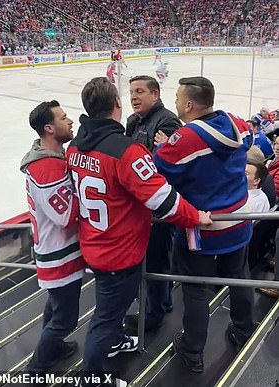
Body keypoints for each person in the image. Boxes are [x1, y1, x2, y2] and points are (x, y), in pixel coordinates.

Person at [66, 77, 212, 386]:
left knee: (110, 309)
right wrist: (194, 217)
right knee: (105, 318)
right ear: (116, 104)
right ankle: (91, 378)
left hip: (93, 242)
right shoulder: (126, 150)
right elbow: (162, 199)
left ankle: (117, 339)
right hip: (119, 251)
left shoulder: (76, 145)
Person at [154, 76, 255, 373]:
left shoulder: (185, 139)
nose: (174, 102)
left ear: (188, 104)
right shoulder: (237, 123)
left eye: (176, 97)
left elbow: (157, 168)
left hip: (202, 228)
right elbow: (248, 141)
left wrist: (164, 146)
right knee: (240, 278)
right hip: (238, 220)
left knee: (196, 290)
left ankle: (193, 349)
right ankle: (244, 331)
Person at [20, 100, 85, 377]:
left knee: (56, 309)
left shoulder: (50, 159)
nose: (69, 121)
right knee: (65, 317)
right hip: (59, 254)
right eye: (63, 118)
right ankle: (37, 369)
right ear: (49, 128)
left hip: (55, 250)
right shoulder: (46, 168)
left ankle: (53, 348)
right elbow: (65, 215)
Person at [126, 75, 183, 331]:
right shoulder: (133, 121)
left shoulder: (168, 120)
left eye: (140, 91)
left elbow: (165, 164)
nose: (134, 97)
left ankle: (154, 314)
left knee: (155, 259)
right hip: (139, 206)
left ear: (155, 94)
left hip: (156, 206)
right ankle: (161, 301)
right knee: (150, 258)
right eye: (131, 92)